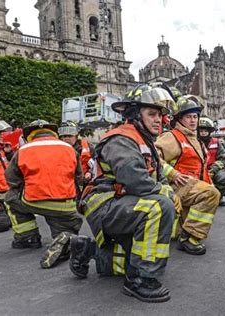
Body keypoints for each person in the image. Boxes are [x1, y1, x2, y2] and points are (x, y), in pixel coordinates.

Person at [70, 85, 176, 302]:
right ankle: (139, 280)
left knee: (124, 262)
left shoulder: (144, 140)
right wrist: (166, 193)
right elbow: (135, 180)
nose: (159, 120)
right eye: (152, 114)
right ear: (135, 114)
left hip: (123, 203)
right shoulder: (121, 139)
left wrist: (167, 189)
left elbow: (158, 177)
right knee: (159, 207)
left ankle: (86, 250)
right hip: (105, 204)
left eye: (161, 115)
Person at [4, 119, 83, 268]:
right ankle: (64, 237)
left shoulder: (24, 150)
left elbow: (11, 179)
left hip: (34, 201)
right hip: (67, 204)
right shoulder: (69, 148)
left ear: (30, 135)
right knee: (64, 225)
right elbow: (78, 177)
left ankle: (28, 238)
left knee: (10, 198)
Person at [155, 97, 220, 255]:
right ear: (179, 119)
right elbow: (152, 157)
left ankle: (182, 231)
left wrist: (208, 183)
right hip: (178, 187)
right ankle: (189, 238)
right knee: (211, 195)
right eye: (188, 117)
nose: (193, 120)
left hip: (189, 187)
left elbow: (201, 167)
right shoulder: (173, 136)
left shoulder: (193, 138)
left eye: (195, 117)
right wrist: (172, 174)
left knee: (174, 233)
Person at [198, 116, 225, 206]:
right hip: (198, 170)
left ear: (209, 132)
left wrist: (213, 169)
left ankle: (218, 198)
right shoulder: (194, 142)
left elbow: (223, 159)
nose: (203, 133)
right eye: (201, 131)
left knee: (224, 177)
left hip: (214, 169)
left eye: (205, 131)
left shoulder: (216, 142)